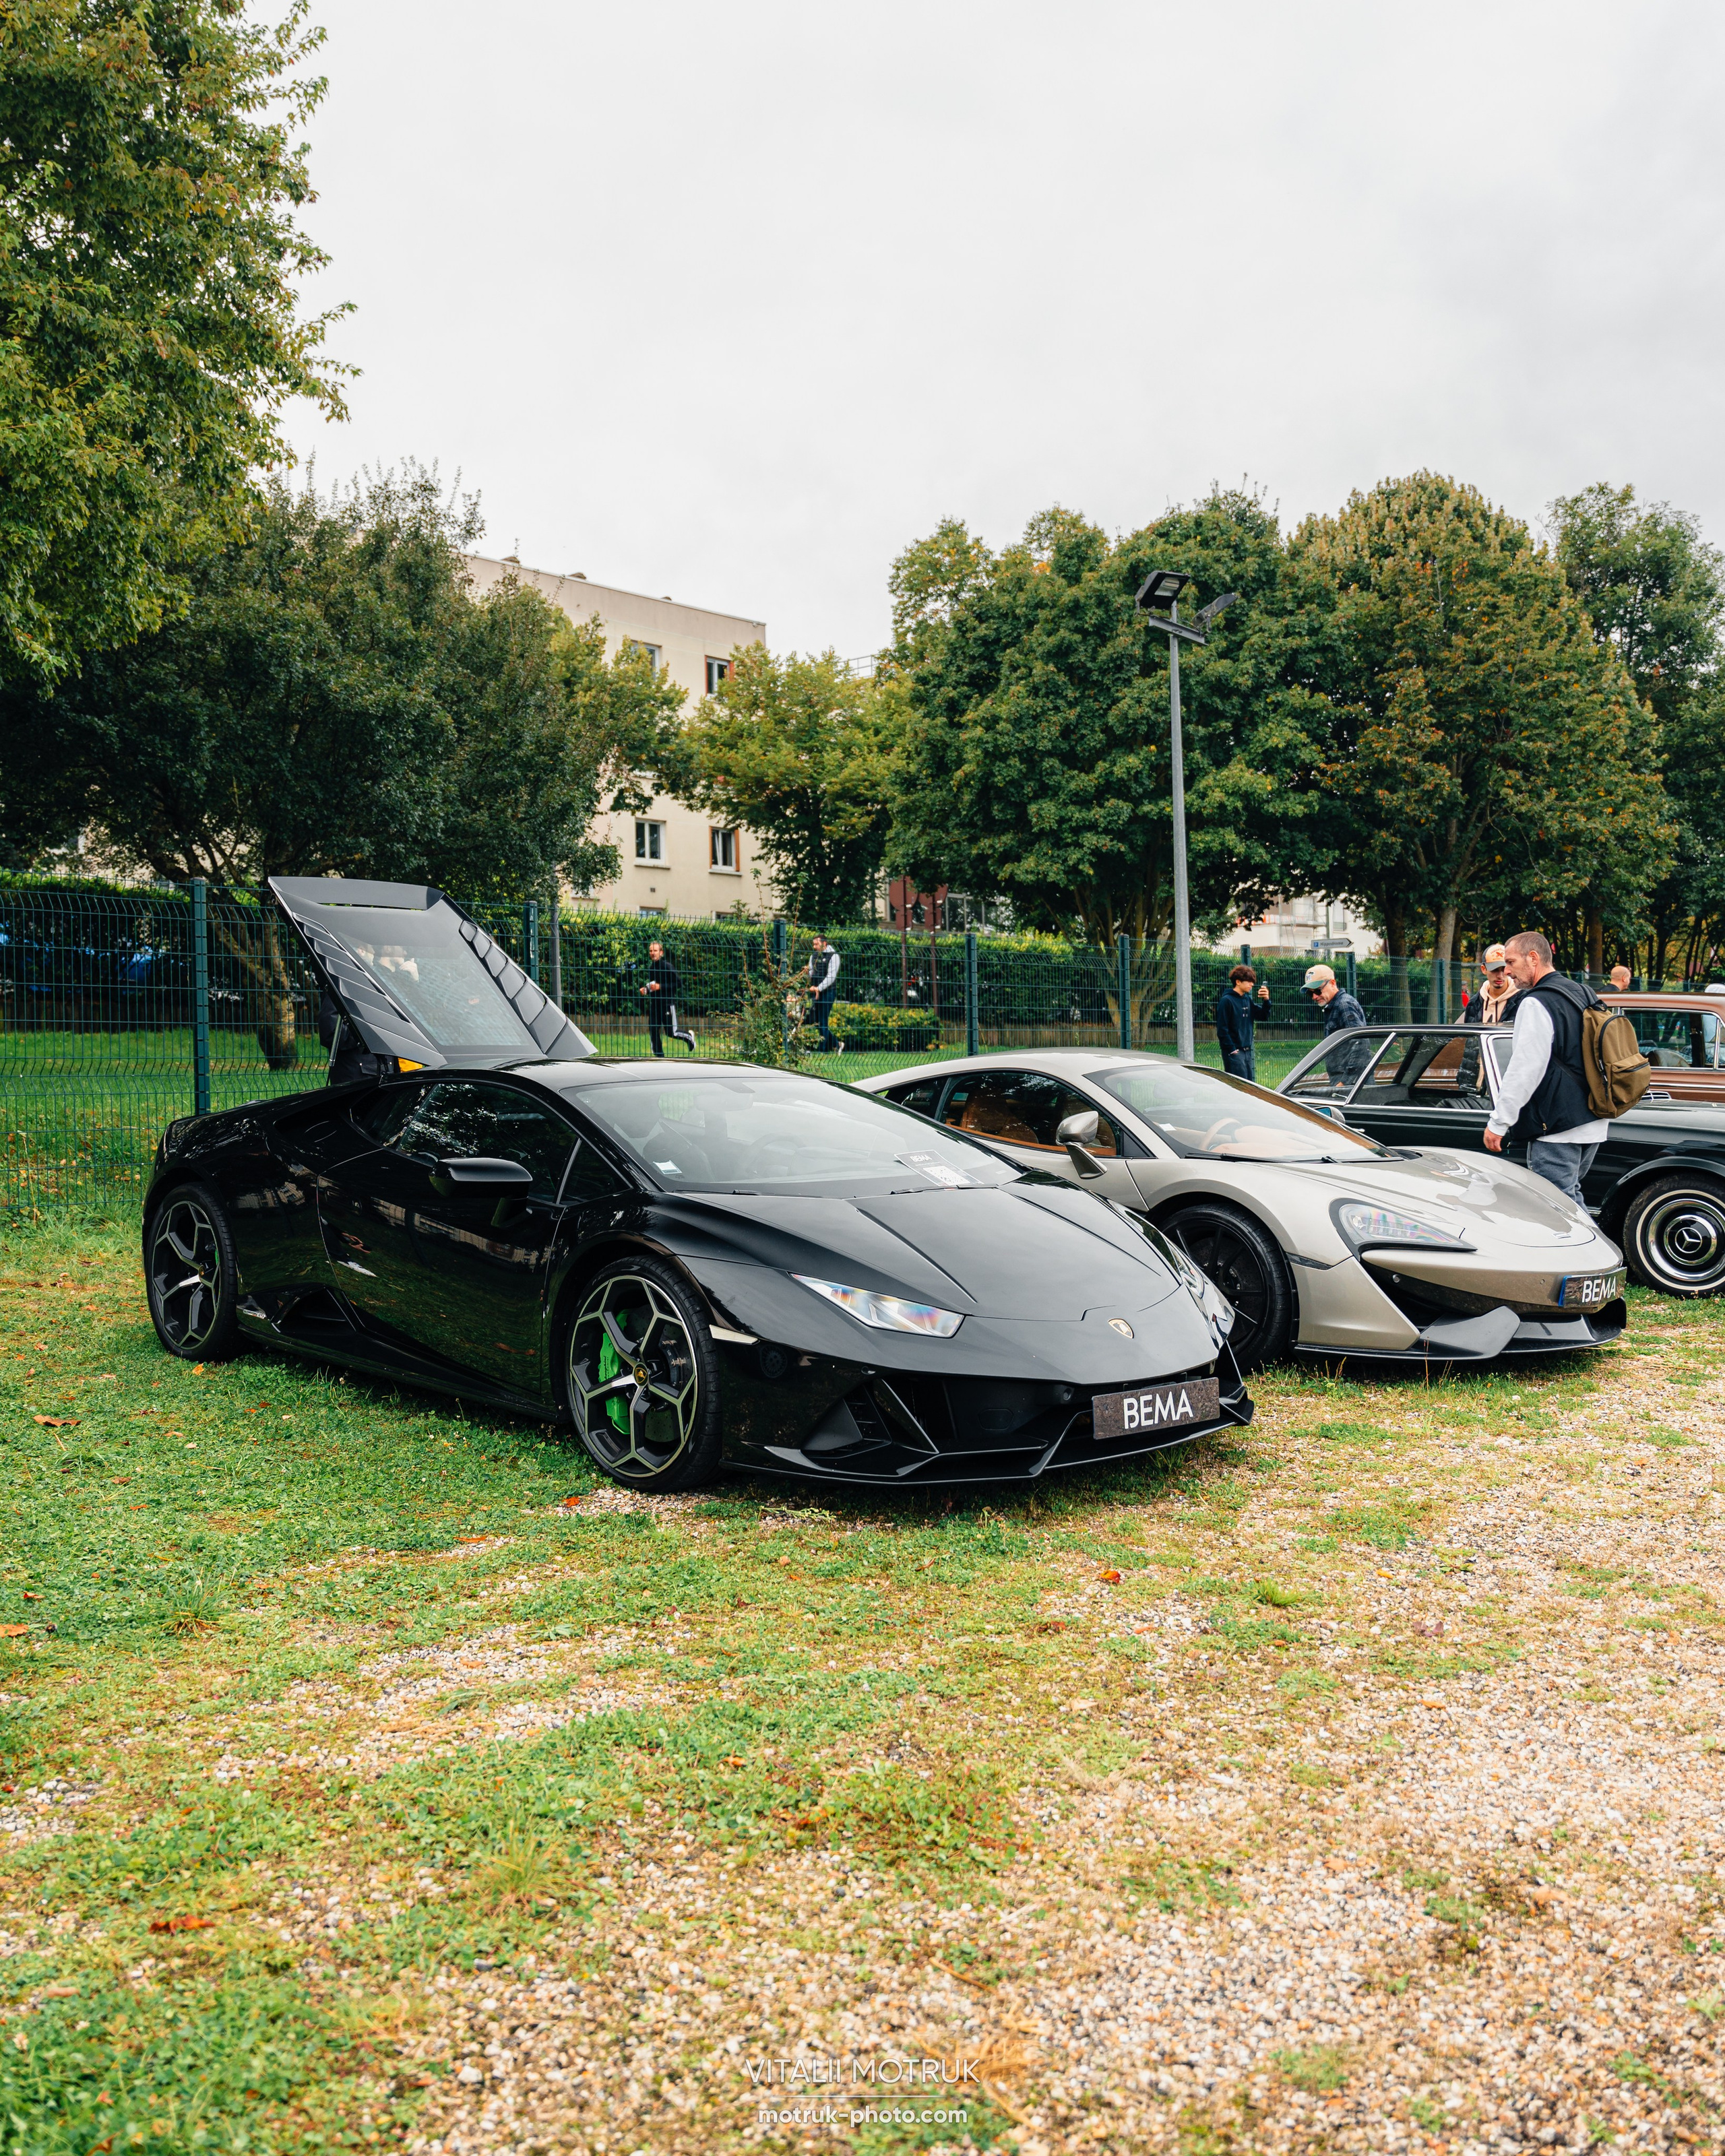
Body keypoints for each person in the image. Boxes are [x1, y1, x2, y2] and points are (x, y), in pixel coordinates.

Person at [1483, 930, 1605, 1205]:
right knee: (1570, 1200)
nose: (1508, 971)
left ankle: (1599, 1249)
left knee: (1556, 1209)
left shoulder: (1536, 1002)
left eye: (1512, 962)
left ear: (1533, 958)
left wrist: (1499, 1122)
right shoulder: (1583, 992)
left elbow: (1526, 1067)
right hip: (1593, 1119)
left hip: (1557, 1126)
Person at [1302, 961, 1371, 1085]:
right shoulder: (1334, 1006)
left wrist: (1345, 1082)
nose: (1314, 997)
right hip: (1347, 1081)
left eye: (1318, 991)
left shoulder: (1344, 1005)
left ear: (1333, 983)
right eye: (1310, 993)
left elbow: (1361, 1042)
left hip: (1353, 1084)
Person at [1214, 963, 1271, 1080]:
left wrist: (1266, 1000)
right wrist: (1232, 1050)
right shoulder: (1227, 1001)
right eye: (1249, 981)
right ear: (1238, 982)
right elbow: (1222, 1030)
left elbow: (1263, 1016)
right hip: (1235, 1053)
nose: (1252, 984)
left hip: (1246, 1053)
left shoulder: (1247, 999)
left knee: (1249, 1087)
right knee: (1238, 1088)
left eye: (1252, 981)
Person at [639, 940, 696, 1056]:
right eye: (651, 951)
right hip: (655, 1006)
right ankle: (659, 1057)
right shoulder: (651, 968)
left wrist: (661, 987)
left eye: (655, 950)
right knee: (653, 1031)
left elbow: (678, 983)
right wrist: (647, 989)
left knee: (672, 1033)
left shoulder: (667, 966)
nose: (653, 953)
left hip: (667, 1005)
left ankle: (689, 1038)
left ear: (661, 953)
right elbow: (655, 985)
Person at [1463, 945, 1517, 1027]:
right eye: (1494, 970)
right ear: (1484, 969)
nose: (1500, 976)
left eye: (1504, 969)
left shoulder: (1522, 1001)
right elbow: (1470, 1039)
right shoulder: (1474, 1003)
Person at [807, 933, 842, 1054]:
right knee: (816, 1020)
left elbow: (831, 977)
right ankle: (837, 1044)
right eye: (814, 944)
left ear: (824, 943)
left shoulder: (834, 956)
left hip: (828, 992)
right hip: (816, 992)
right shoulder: (813, 956)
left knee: (823, 1020)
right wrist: (807, 974)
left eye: (816, 944)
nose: (814, 946)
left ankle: (823, 1051)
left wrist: (819, 988)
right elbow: (811, 974)